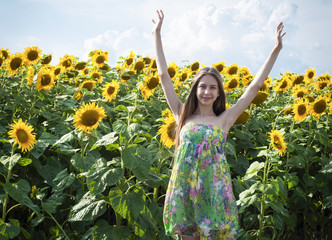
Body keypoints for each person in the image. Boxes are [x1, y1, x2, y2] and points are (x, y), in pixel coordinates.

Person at [152, 10, 285, 240]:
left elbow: (254, 87)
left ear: (218, 93)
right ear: (195, 89)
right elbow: (163, 75)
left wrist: (276, 50)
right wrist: (157, 34)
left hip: (214, 190)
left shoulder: (225, 119)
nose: (206, 91)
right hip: (185, 186)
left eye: (212, 87)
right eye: (202, 86)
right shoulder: (182, 114)